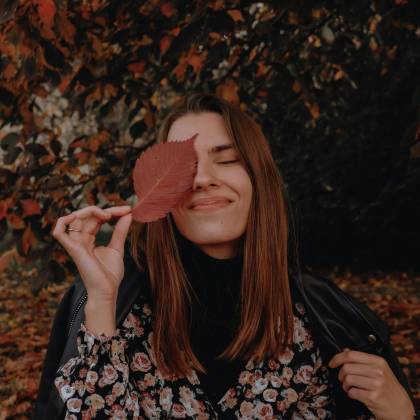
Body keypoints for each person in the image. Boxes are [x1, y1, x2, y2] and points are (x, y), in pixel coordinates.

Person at [38, 93, 415, 419]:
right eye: (182, 167)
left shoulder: (324, 323)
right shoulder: (114, 304)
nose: (201, 178)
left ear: (259, 178)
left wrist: (400, 414)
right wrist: (103, 300)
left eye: (228, 158)